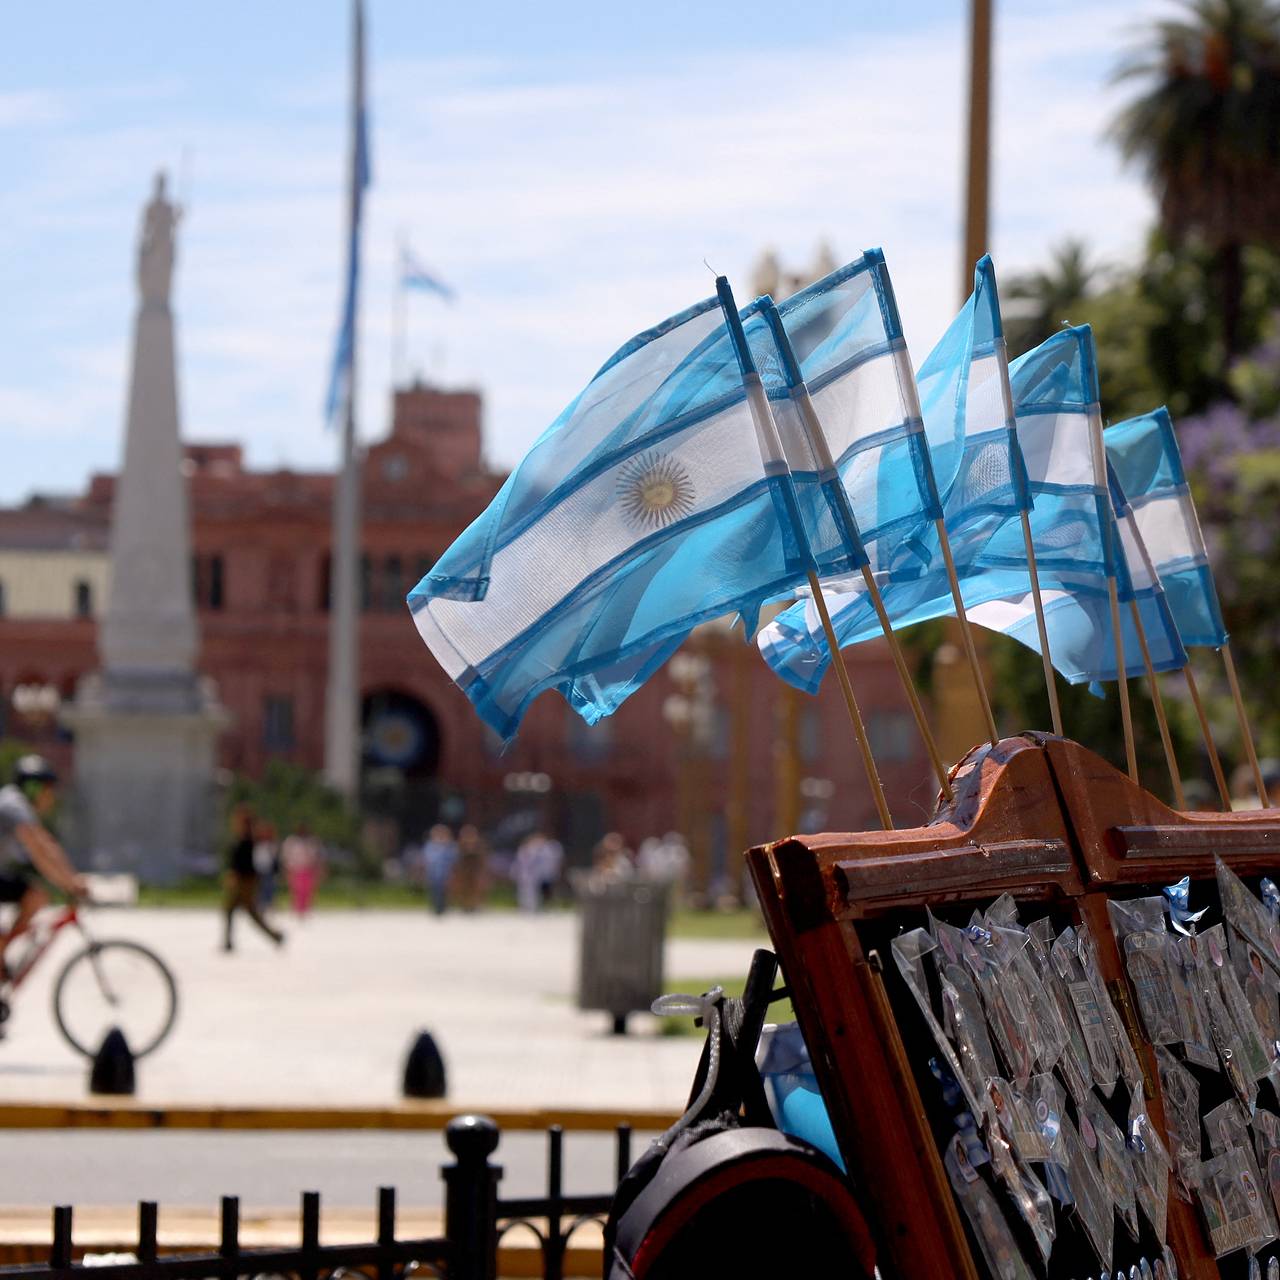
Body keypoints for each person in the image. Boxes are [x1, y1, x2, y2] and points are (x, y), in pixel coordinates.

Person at [0, 756, 87, 978]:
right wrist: (70, 883)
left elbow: (47, 844)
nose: (52, 796)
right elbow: (39, 849)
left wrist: (71, 879)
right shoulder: (13, 804)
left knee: (36, 896)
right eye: (48, 789)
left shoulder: (17, 806)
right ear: (32, 788)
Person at [223, 804, 285, 951]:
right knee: (238, 911)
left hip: (246, 881)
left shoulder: (248, 839)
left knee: (241, 911)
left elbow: (244, 861)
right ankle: (274, 936)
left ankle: (274, 936)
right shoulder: (246, 838)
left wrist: (235, 875)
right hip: (245, 880)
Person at [281, 822, 323, 919]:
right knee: (297, 890)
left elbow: (317, 856)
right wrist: (286, 868)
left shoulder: (312, 841)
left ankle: (306, 910)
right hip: (295, 869)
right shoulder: (291, 841)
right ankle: (297, 910)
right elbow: (286, 856)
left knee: (308, 891)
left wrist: (319, 868)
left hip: (308, 868)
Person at [421, 824, 458, 916]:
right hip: (433, 874)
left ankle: (444, 908)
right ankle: (435, 908)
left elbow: (454, 861)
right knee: (434, 891)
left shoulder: (450, 846)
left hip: (446, 874)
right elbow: (427, 860)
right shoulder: (430, 846)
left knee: (445, 892)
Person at [454, 824, 487, 913]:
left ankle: (475, 905)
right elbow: (456, 860)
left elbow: (483, 860)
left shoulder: (479, 845)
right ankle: (465, 906)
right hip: (464, 872)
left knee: (476, 889)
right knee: (463, 889)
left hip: (475, 872)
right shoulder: (460, 845)